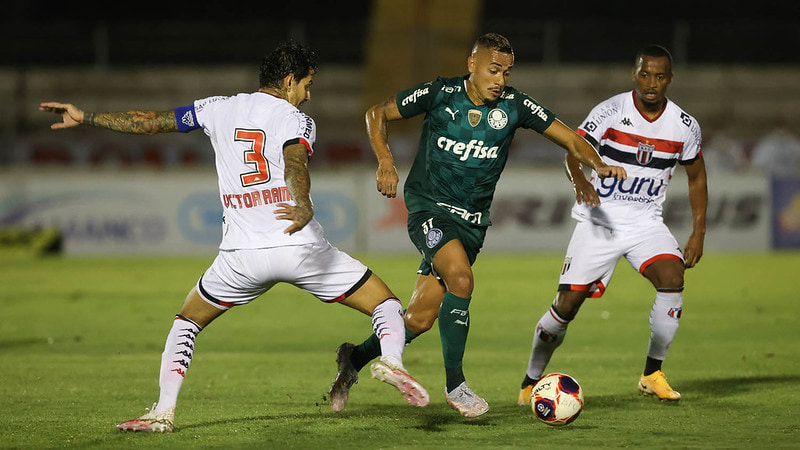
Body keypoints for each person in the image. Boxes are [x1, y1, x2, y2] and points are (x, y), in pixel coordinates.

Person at [39, 41, 429, 433]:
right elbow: (295, 160)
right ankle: (391, 361)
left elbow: (152, 120)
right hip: (299, 245)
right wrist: (303, 202)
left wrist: (86, 116)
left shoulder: (216, 108)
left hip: (241, 257)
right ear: (290, 80)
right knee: (386, 304)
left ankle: (162, 412)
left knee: (187, 322)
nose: (308, 95)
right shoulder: (296, 118)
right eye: (307, 85)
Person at [327, 32, 627, 418]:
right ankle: (457, 386)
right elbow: (376, 113)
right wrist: (385, 160)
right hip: (428, 209)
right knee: (462, 280)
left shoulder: (515, 105)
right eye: (493, 69)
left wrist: (597, 164)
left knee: (419, 318)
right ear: (472, 65)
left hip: (472, 224)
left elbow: (571, 139)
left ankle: (354, 357)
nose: (500, 79)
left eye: (506, 71)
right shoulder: (440, 94)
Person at [517, 44, 707, 404]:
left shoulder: (684, 126)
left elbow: (697, 177)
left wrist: (698, 231)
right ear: (635, 74)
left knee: (672, 278)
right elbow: (574, 150)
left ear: (670, 79)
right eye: (645, 74)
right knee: (566, 305)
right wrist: (582, 182)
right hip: (601, 219)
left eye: (659, 76)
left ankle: (652, 373)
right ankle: (530, 380)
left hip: (646, 222)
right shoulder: (609, 112)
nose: (651, 83)